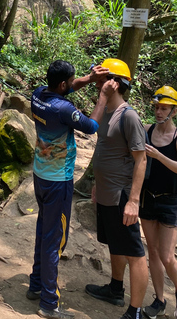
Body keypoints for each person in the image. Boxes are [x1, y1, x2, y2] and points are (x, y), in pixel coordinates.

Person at [27, 60, 110, 319]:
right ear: (62, 84)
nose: (74, 84)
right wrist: (103, 97)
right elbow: (92, 126)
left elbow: (67, 89)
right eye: (71, 81)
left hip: (41, 175)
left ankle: (36, 285)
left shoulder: (39, 94)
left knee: (44, 230)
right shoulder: (64, 109)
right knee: (54, 240)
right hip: (58, 181)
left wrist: (87, 78)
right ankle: (49, 304)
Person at [84, 58, 148, 319]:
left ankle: (135, 310)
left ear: (116, 83)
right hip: (107, 193)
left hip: (123, 196)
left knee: (134, 252)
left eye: (102, 78)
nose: (97, 81)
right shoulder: (106, 112)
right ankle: (115, 289)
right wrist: (98, 186)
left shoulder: (129, 116)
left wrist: (133, 201)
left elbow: (141, 159)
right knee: (115, 244)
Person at [139, 86, 177, 319]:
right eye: (157, 108)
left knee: (167, 256)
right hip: (147, 198)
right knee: (154, 253)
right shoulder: (147, 130)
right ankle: (159, 300)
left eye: (164, 109)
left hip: (170, 202)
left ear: (174, 111)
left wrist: (158, 155)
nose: (159, 112)